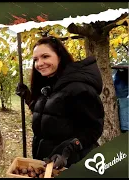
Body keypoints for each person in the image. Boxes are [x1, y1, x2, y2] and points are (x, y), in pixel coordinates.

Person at [16, 36, 104, 169]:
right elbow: (53, 114)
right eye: (36, 59)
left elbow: (93, 129)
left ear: (60, 56)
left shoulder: (78, 88)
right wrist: (29, 99)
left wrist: (69, 149)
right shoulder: (49, 84)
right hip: (47, 161)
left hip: (71, 163)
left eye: (45, 56)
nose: (39, 63)